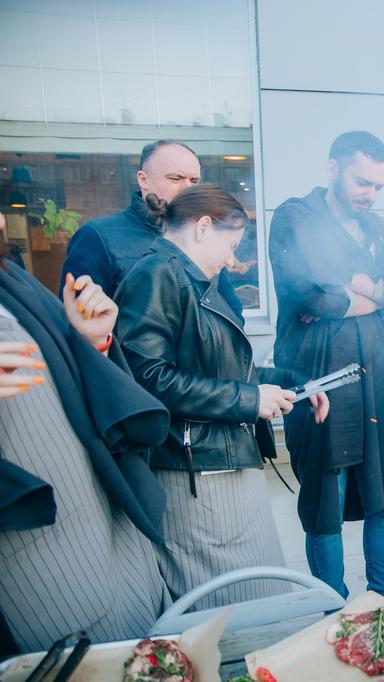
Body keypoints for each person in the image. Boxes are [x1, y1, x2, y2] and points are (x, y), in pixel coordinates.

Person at [115, 185, 326, 609]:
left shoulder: (187, 279)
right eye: (230, 245)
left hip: (219, 461)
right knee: (229, 606)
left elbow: (219, 365)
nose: (231, 260)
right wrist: (249, 401)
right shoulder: (156, 275)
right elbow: (148, 379)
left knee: (256, 597)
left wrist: (295, 382)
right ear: (203, 227)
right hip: (194, 472)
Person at [0, 211, 172, 654]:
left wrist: (90, 340)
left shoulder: (12, 282)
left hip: (99, 511)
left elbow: (64, 377)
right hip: (34, 558)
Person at [269, 131, 384, 602]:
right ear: (333, 169)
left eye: (378, 187)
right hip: (319, 378)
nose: (370, 195)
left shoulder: (377, 227)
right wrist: (378, 294)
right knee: (324, 501)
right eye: (362, 182)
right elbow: (308, 293)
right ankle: (332, 612)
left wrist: (359, 285)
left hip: (378, 378)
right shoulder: (295, 216)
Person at [61, 139, 242, 317]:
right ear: (143, 179)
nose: (187, 188)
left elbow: (231, 310)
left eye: (194, 181)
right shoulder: (98, 236)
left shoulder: (205, 234)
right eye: (175, 178)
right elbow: (78, 322)